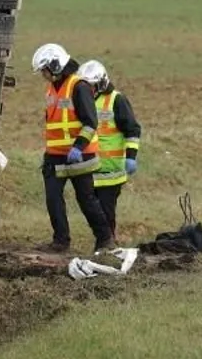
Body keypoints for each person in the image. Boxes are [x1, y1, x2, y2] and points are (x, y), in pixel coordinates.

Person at [31, 43, 116, 254]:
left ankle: (105, 239)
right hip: (54, 156)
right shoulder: (52, 89)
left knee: (86, 199)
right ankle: (60, 241)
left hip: (80, 156)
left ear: (55, 66)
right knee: (53, 199)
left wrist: (78, 147)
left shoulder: (79, 87)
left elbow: (90, 122)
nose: (43, 75)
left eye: (44, 70)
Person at [78, 59, 142, 243]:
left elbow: (132, 130)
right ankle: (104, 242)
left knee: (106, 211)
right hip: (89, 168)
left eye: (91, 85)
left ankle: (107, 244)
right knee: (92, 211)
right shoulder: (82, 101)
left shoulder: (116, 100)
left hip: (111, 171)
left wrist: (131, 157)